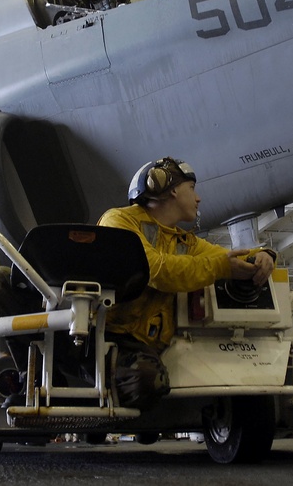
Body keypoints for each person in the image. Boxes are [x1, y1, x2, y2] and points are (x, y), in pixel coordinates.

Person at [97, 157, 276, 410]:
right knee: (146, 381)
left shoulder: (184, 242)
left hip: (145, 344)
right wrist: (222, 267)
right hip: (107, 337)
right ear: (169, 188)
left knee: (152, 380)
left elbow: (221, 256)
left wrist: (264, 255)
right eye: (192, 189)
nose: (198, 198)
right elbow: (153, 269)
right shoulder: (119, 221)